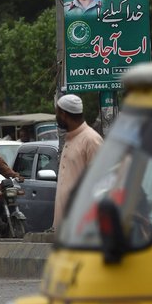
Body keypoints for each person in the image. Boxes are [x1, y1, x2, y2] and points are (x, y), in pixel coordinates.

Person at [49, 94, 104, 232]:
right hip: (64, 227)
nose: (56, 117)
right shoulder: (70, 139)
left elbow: (101, 183)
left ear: (63, 114)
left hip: (82, 226)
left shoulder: (91, 140)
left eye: (57, 113)